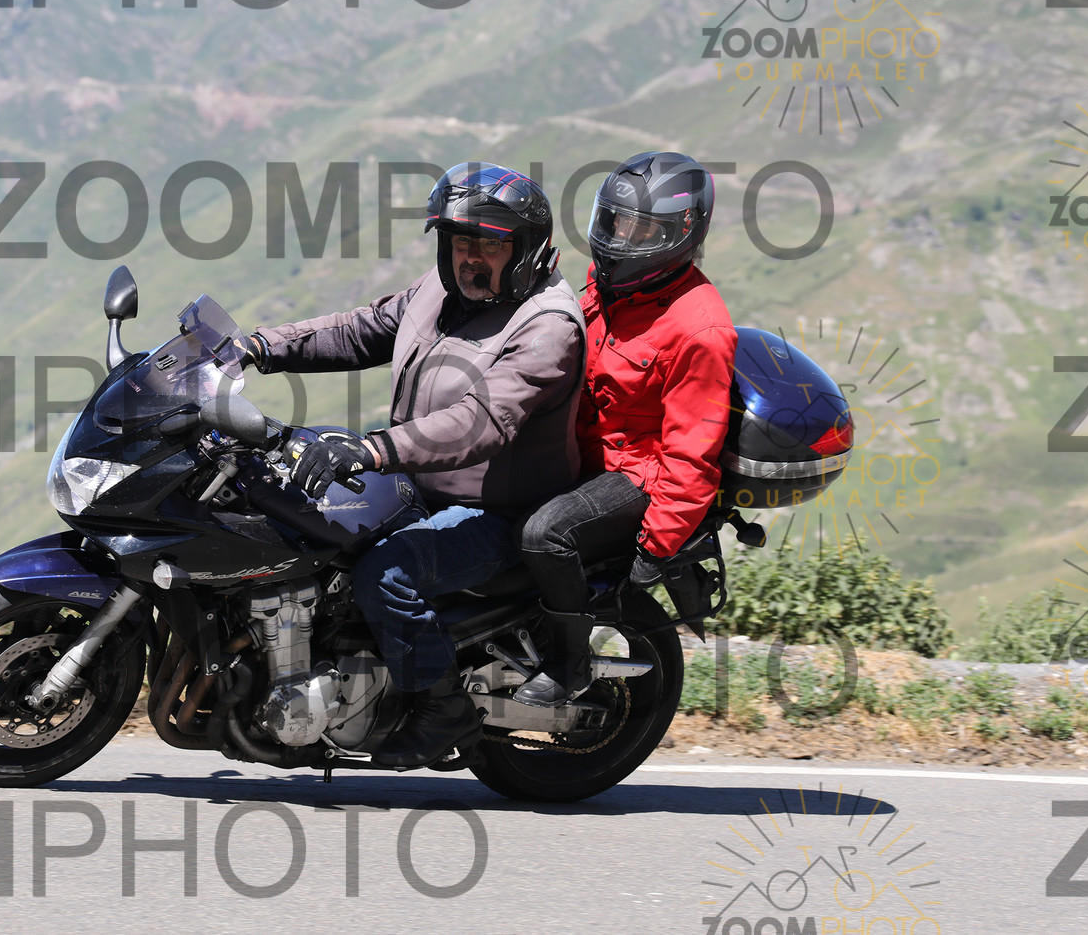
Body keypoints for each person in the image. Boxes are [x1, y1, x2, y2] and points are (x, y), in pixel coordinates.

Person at [241, 163, 584, 767]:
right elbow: (361, 330)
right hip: (416, 486)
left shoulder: (547, 327)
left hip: (495, 512)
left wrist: (373, 450)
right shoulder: (444, 291)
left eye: (488, 244)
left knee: (386, 574)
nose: (469, 257)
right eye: (458, 241)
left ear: (527, 248)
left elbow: (481, 421)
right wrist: (261, 346)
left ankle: (440, 707)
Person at [514, 152, 736, 707]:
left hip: (638, 473)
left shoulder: (700, 329)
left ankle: (571, 664)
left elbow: (692, 453)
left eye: (643, 229)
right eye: (615, 222)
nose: (622, 238)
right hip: (583, 450)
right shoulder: (610, 289)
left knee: (546, 534)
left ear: (682, 233)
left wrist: (656, 546)